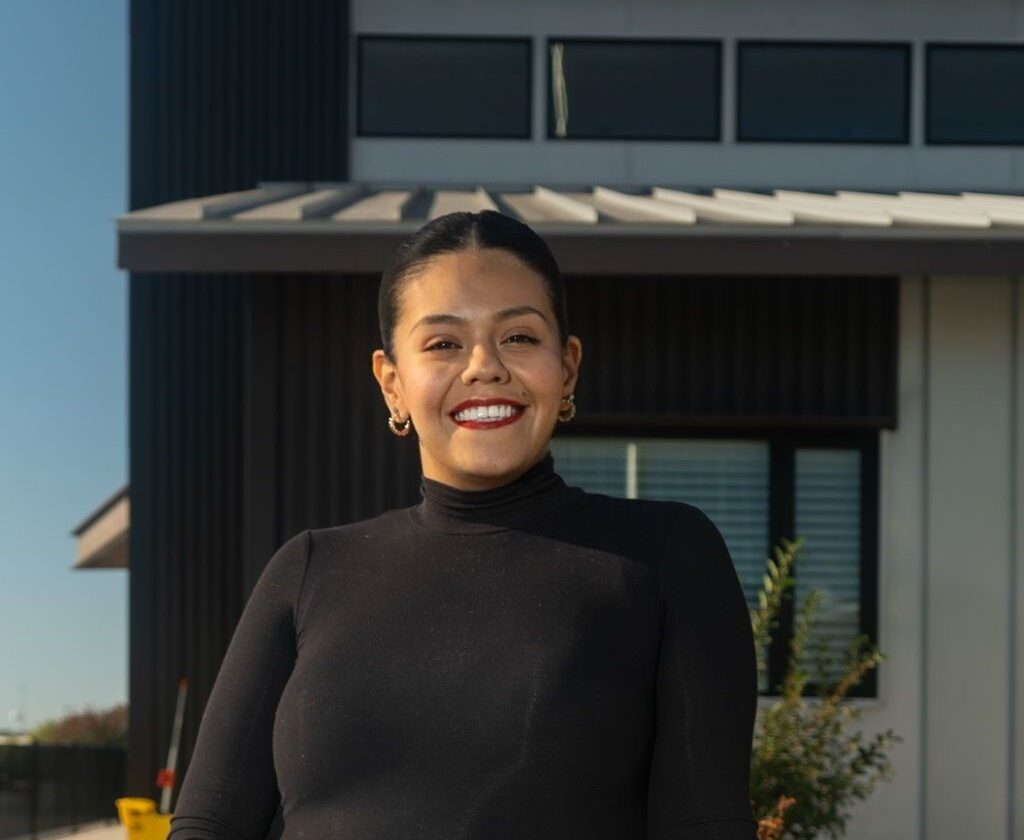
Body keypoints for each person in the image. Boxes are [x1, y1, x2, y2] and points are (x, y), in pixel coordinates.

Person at [168, 210, 759, 839]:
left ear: (568, 367)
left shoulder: (662, 557)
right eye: (444, 343)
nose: (484, 367)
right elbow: (210, 825)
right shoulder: (308, 569)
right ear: (392, 383)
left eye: (520, 338)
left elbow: (707, 824)